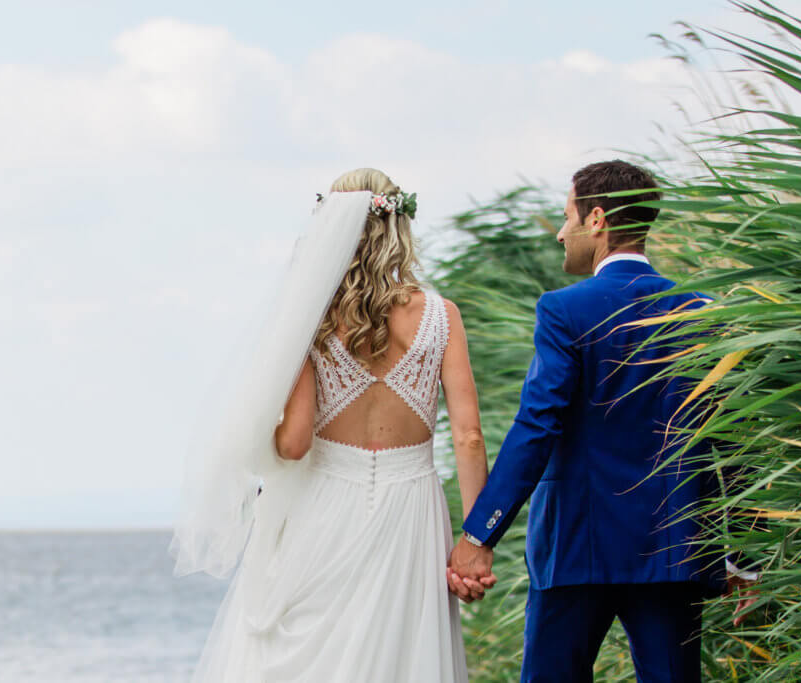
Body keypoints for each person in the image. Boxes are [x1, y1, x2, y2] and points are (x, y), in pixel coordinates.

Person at [447, 160, 757, 682]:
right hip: (673, 549)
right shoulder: (701, 311)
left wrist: (479, 535)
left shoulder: (565, 310)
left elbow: (536, 427)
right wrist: (745, 553)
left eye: (567, 216)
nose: (562, 232)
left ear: (596, 220)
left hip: (575, 547)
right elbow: (734, 434)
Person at [184, 168, 491, 682]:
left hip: (324, 506)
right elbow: (469, 437)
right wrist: (475, 542)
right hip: (409, 509)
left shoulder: (313, 319)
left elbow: (296, 442)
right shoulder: (442, 317)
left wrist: (261, 433)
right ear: (399, 229)